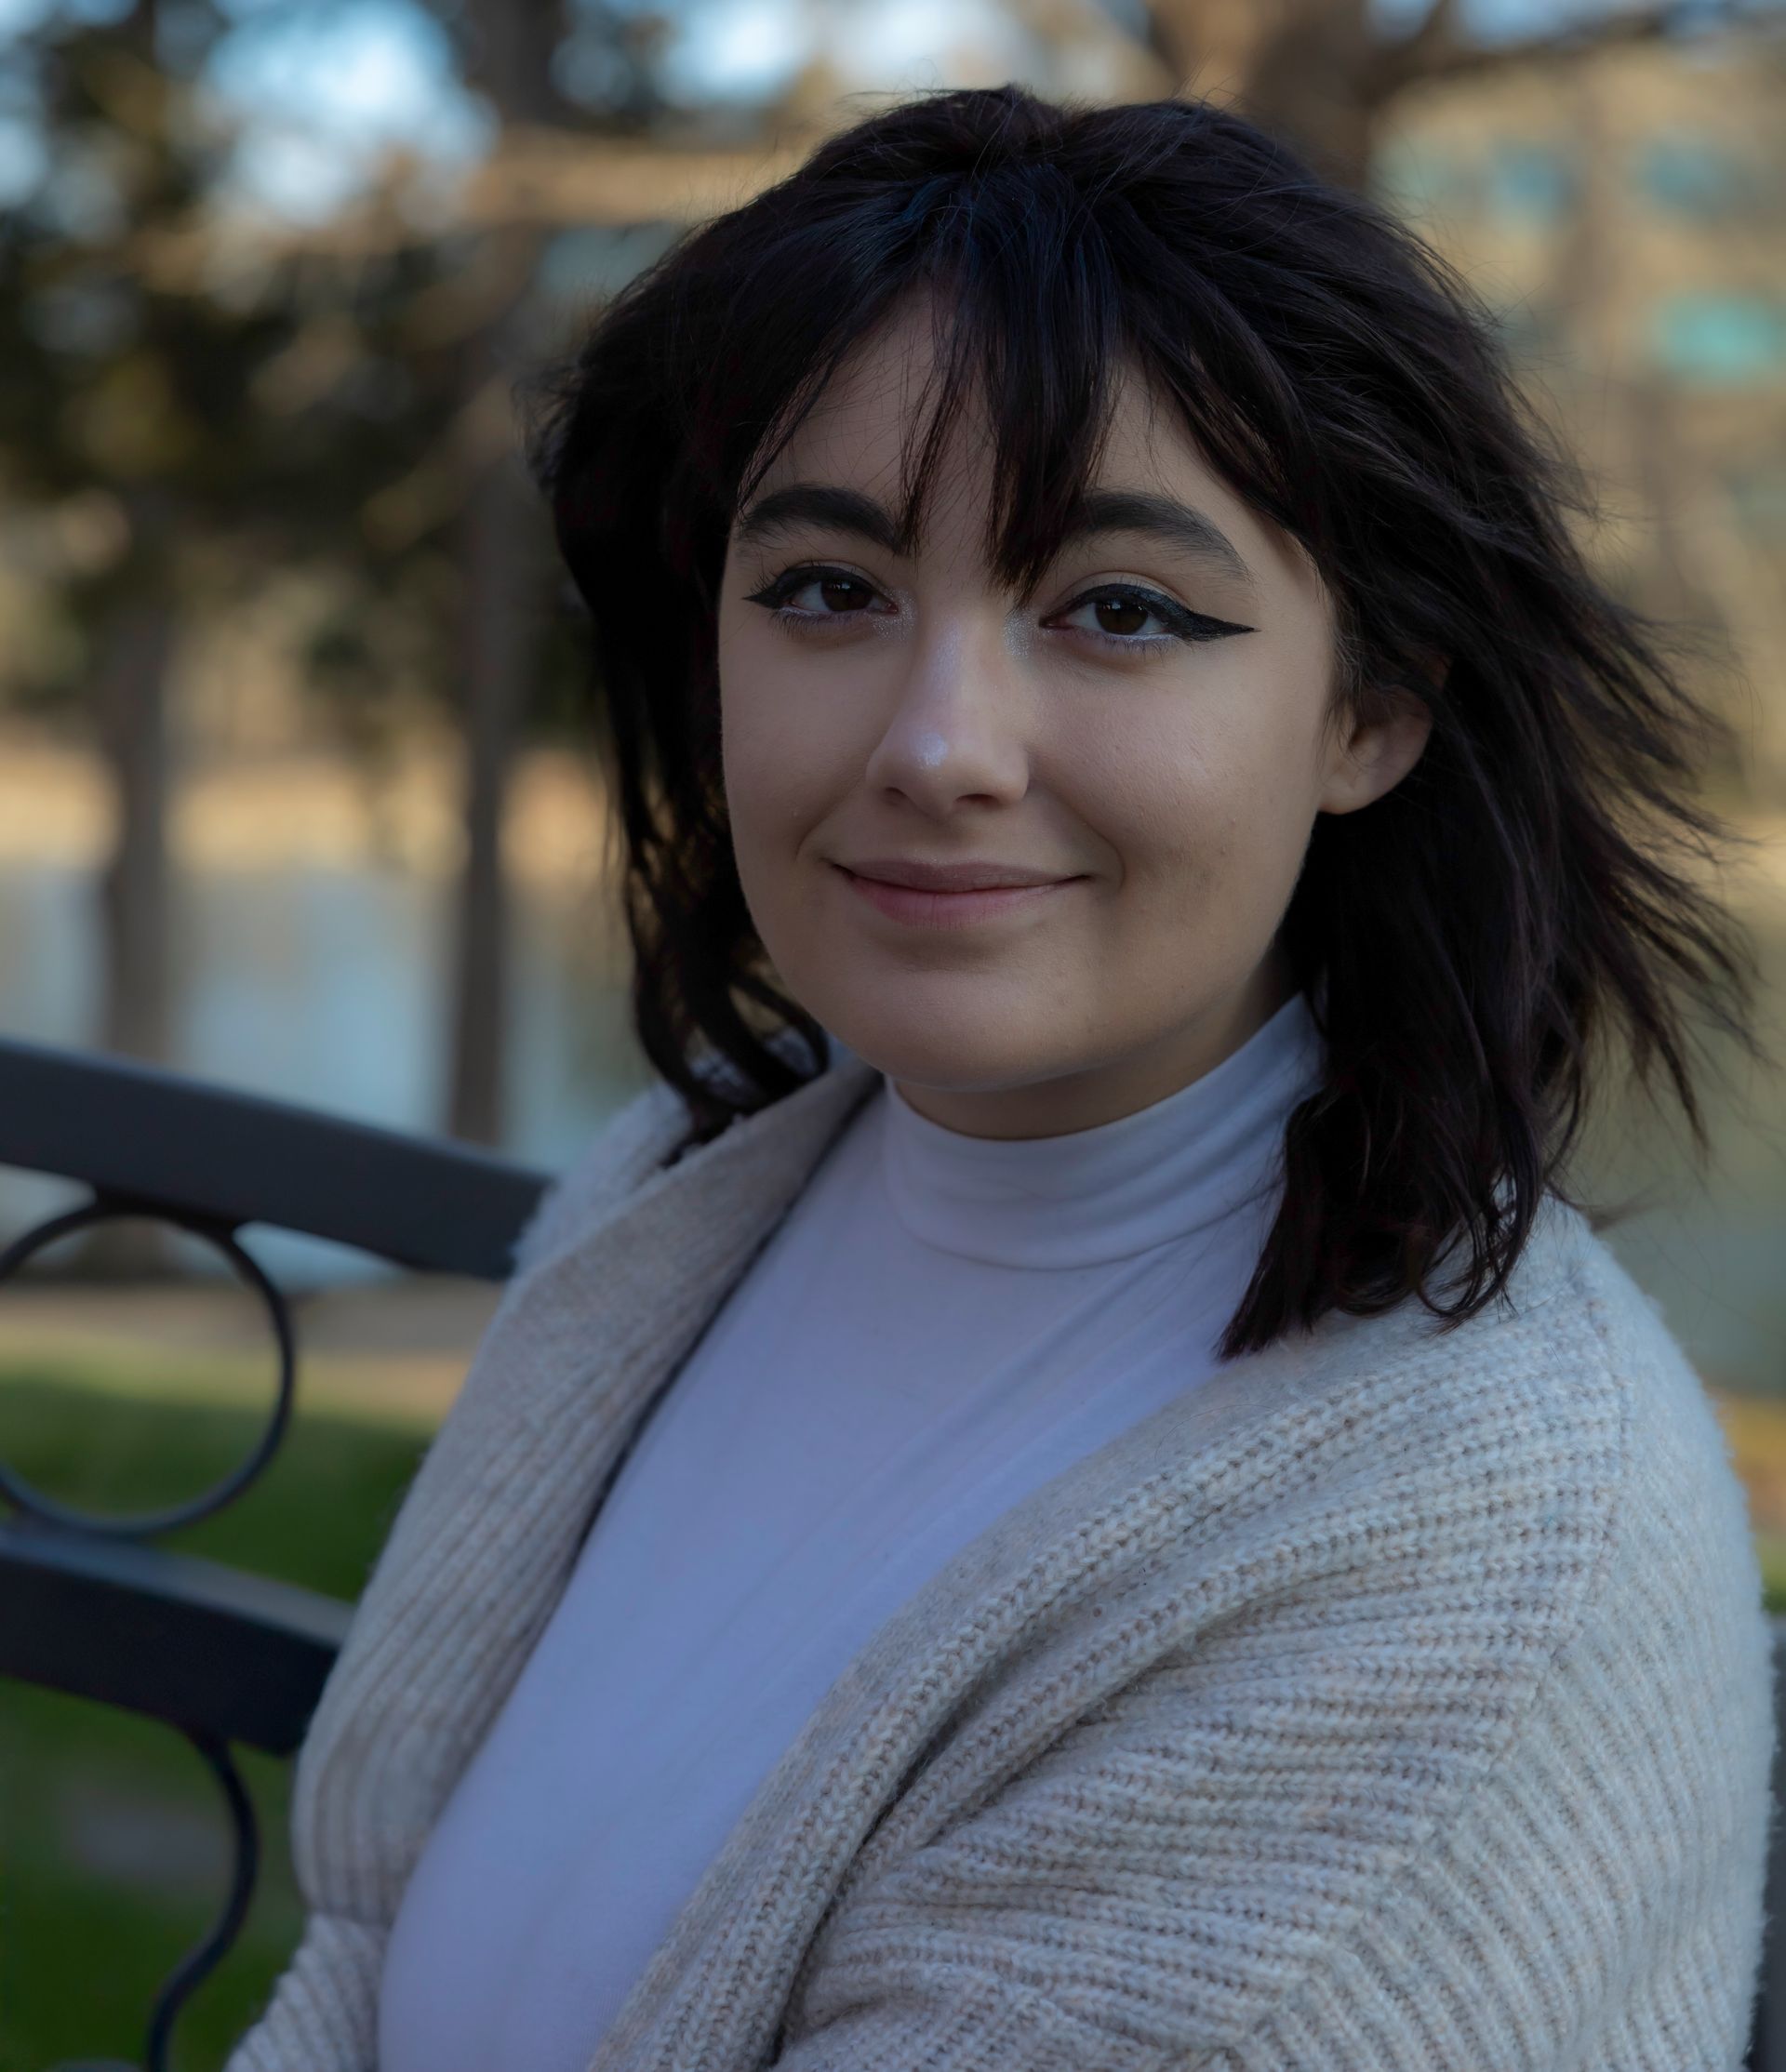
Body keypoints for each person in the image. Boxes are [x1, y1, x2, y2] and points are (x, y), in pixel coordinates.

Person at [224, 85, 1778, 2072]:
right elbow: (371, 1953)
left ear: (1371, 711)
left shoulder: (1465, 1570)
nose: (939, 744)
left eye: (1119, 610)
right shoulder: (696, 1183)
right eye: (828, 589)